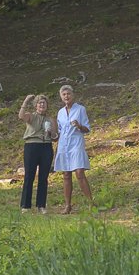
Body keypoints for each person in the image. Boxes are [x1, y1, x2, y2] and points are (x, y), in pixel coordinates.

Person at [51, 84, 92, 212]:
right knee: (66, 175)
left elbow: (87, 129)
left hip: (76, 143)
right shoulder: (60, 112)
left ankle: (91, 203)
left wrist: (79, 126)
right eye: (64, 94)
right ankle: (68, 205)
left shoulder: (80, 109)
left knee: (79, 172)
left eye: (68, 94)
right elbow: (60, 131)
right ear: (61, 97)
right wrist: (53, 135)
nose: (66, 96)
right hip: (64, 145)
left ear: (72, 95)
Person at [17, 93, 55, 212]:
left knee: (43, 177)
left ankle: (41, 205)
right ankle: (25, 205)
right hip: (32, 146)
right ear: (36, 106)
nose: (42, 105)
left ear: (47, 105)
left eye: (44, 103)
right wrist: (26, 100)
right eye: (40, 103)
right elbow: (21, 116)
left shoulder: (51, 120)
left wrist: (51, 134)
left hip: (46, 146)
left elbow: (55, 137)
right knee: (29, 175)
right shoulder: (31, 116)